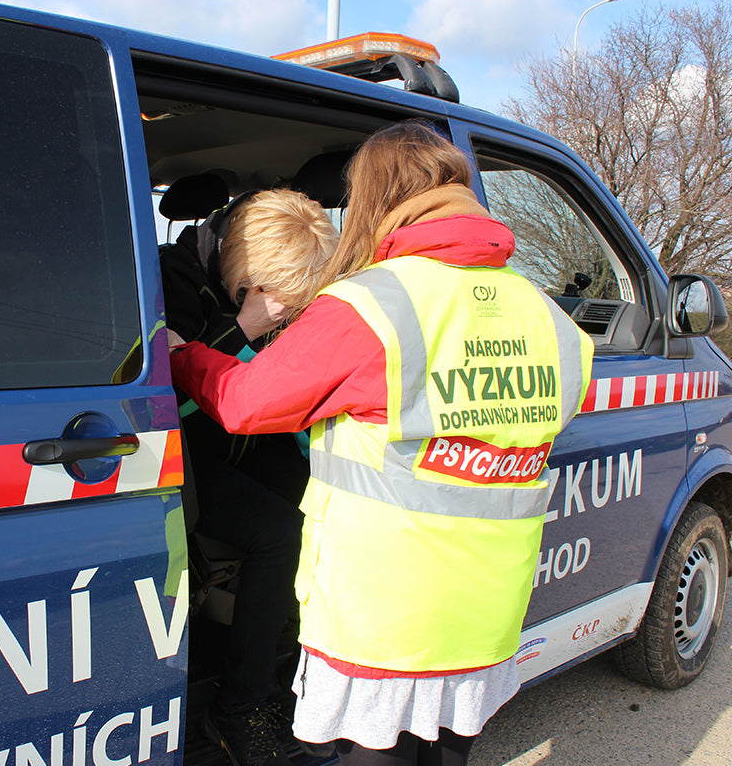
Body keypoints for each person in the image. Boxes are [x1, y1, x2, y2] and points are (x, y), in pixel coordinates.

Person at [169, 121, 594, 766]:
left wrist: (183, 359)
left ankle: (245, 703)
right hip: (487, 614)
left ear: (372, 200)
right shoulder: (547, 315)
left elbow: (246, 401)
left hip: (384, 619)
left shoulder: (368, 306)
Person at [160, 187, 338, 766]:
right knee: (278, 531)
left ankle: (295, 675)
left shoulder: (272, 292)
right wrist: (243, 327)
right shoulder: (175, 279)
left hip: (244, 443)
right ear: (250, 280)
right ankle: (240, 706)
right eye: (278, 302)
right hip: (183, 455)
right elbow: (169, 400)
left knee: (326, 503)